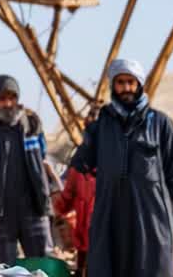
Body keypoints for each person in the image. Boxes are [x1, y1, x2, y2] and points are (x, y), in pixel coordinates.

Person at [71, 59, 173, 277]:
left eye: (131, 82)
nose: (126, 88)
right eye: (120, 82)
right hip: (110, 220)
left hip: (150, 222)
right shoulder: (101, 126)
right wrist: (89, 130)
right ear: (113, 86)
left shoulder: (160, 124)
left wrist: (153, 203)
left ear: (139, 84)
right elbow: (81, 164)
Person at [0, 74, 53, 265]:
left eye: (12, 98)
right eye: (2, 99)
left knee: (40, 263)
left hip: (33, 205)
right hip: (0, 211)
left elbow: (41, 153)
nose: (8, 103)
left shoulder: (32, 122)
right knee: (6, 267)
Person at [54, 106, 99, 275]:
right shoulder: (80, 160)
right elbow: (68, 196)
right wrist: (57, 210)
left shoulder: (117, 159)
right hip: (84, 238)